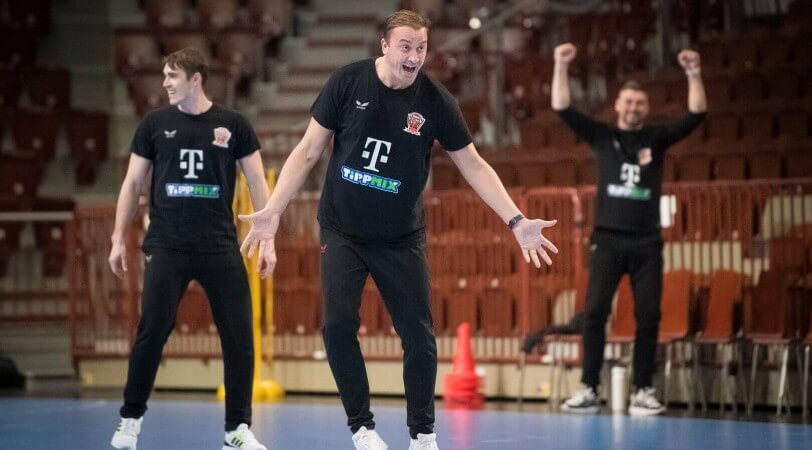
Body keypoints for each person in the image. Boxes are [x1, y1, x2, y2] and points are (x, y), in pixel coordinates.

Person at [238, 10, 559, 450]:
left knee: (418, 335)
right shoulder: (347, 83)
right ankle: (362, 428)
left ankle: (423, 435)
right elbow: (309, 150)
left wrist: (516, 221)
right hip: (343, 230)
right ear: (385, 46)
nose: (413, 56)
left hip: (400, 236)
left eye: (421, 48)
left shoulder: (436, 101)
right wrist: (274, 209)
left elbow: (473, 165)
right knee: (337, 325)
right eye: (405, 46)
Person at [107, 48, 271, 450]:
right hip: (168, 245)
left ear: (196, 79)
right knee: (153, 330)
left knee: (239, 335)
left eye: (172, 76)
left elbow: (257, 181)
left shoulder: (233, 124)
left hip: (219, 245)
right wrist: (117, 237)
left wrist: (267, 237)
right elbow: (132, 183)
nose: (164, 83)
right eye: (164, 75)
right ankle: (130, 420)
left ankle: (237, 429)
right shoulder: (154, 124)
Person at [551, 42, 707, 415]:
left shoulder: (656, 139)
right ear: (618, 105)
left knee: (648, 316)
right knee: (594, 313)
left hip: (647, 242)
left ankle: (644, 390)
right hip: (606, 240)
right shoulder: (602, 136)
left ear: (646, 109)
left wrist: (693, 72)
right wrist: (560, 65)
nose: (634, 107)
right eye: (629, 102)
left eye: (640, 103)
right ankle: (589, 388)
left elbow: (696, 113)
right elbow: (562, 107)